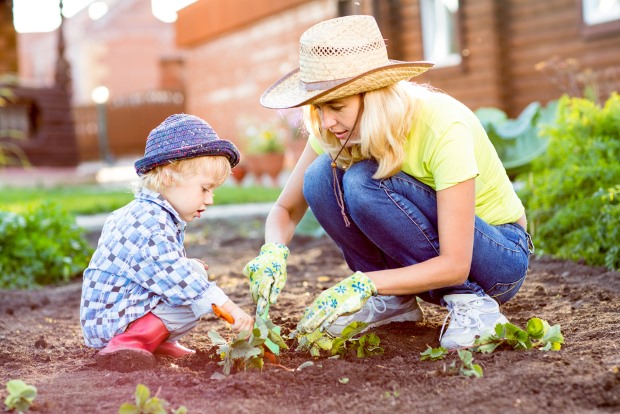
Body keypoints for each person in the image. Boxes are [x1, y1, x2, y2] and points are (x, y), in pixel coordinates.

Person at [243, 15, 533, 349]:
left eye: (337, 106)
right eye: (318, 107)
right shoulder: (335, 128)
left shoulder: (441, 125)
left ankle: (473, 305)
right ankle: (396, 303)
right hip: (428, 265)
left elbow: (456, 264)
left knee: (362, 182)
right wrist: (273, 250)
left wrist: (363, 283)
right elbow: (285, 208)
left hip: (496, 260)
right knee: (321, 176)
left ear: (374, 96)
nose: (326, 120)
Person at [80, 114, 254, 361]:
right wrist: (230, 308)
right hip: (111, 322)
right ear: (168, 177)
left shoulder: (148, 212)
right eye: (204, 188)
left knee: (193, 271)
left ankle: (155, 342)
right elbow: (181, 283)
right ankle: (129, 343)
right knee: (190, 293)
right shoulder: (150, 224)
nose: (210, 199)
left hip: (113, 313)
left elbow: (157, 269)